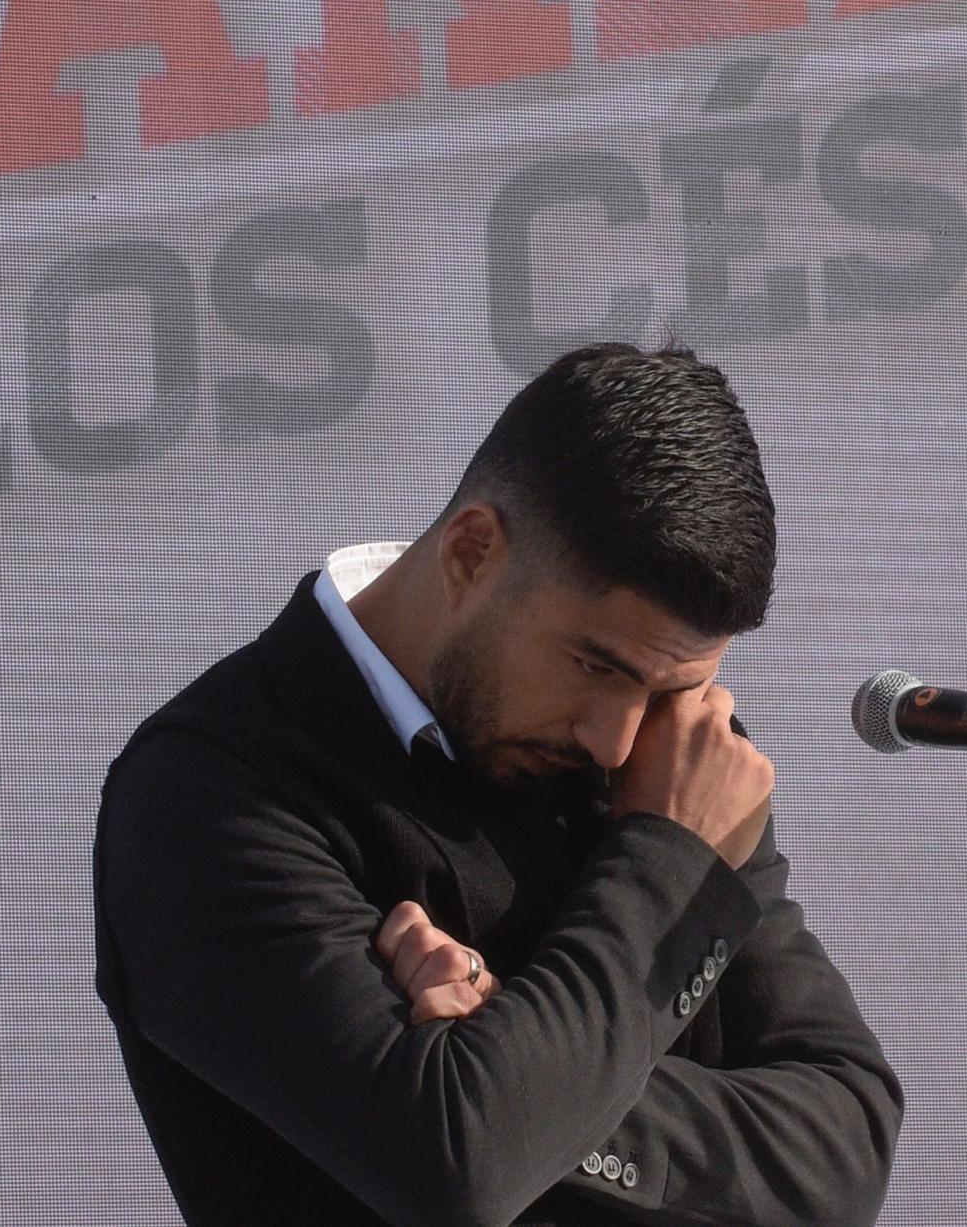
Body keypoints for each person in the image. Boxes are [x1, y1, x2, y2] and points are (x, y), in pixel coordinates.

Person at [92, 342, 901, 1226]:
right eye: (594, 664)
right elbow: (457, 1163)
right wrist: (668, 863)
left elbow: (846, 1144)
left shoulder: (673, 757)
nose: (616, 737)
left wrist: (514, 1062)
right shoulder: (206, 792)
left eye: (671, 690)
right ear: (472, 552)